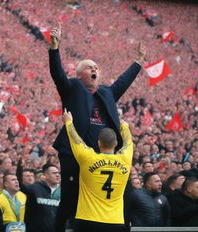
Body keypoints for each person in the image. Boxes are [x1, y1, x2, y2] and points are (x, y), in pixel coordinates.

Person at [49, 24, 145, 231]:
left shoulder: (107, 93)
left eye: (97, 68)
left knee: (123, 192)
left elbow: (123, 81)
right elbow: (57, 74)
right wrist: (54, 48)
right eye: (89, 67)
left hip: (105, 155)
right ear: (79, 74)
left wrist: (139, 61)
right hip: (75, 153)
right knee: (70, 196)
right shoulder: (72, 88)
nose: (94, 69)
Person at [63, 109, 133, 232]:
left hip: (88, 220)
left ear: (99, 143)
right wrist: (125, 127)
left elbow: (76, 141)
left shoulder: (88, 158)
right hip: (115, 222)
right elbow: (128, 142)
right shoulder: (125, 159)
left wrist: (69, 123)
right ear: (116, 143)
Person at [21, 163, 61, 232]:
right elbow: (21, 186)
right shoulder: (35, 188)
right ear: (46, 175)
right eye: (54, 173)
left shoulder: (61, 192)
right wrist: (19, 168)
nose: (57, 175)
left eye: (58, 173)